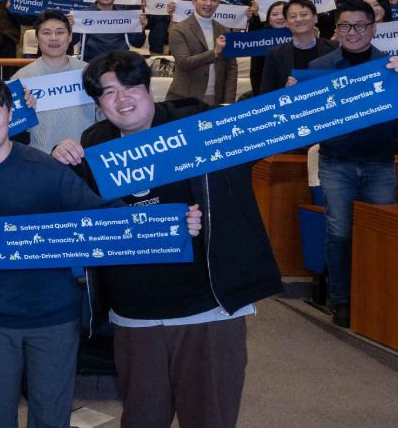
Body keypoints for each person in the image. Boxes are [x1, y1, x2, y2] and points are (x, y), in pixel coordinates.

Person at [0, 73, 198, 428]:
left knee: (50, 416)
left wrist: (168, 225)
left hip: (54, 317)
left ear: (10, 113)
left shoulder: (45, 168)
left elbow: (103, 215)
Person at [49, 51, 279, 428]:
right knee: (141, 418)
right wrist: (58, 160)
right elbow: (78, 220)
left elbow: (284, 123)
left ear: (148, 89)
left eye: (131, 87)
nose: (122, 100)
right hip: (135, 314)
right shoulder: (92, 145)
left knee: (209, 418)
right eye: (109, 93)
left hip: (206, 308)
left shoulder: (196, 125)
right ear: (97, 103)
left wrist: (379, 87)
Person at [306, 0, 398, 326]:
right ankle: (342, 298)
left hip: (380, 161)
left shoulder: (393, 65)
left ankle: (377, 296)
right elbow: (309, 117)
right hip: (336, 160)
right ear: (336, 30)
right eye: (345, 26)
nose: (353, 32)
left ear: (373, 28)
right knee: (340, 231)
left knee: (382, 231)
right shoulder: (319, 68)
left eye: (360, 26)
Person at [11, 11, 100, 153]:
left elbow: (103, 118)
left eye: (60, 32)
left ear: (70, 36)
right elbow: (15, 131)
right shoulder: (20, 79)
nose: (53, 38)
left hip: (85, 158)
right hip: (42, 161)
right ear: (37, 38)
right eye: (46, 33)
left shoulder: (89, 72)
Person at [165, 0, 236, 105]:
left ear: (218, 3)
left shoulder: (225, 30)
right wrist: (214, 52)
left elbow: (231, 68)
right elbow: (184, 62)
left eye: (213, 0)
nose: (208, 3)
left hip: (216, 97)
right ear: (193, 1)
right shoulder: (178, 29)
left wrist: (228, 101)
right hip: (185, 98)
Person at [257, 0, 334, 96]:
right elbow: (266, 93)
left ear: (315, 18)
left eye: (304, 14)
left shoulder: (334, 48)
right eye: (293, 16)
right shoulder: (275, 53)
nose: (298, 19)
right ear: (287, 23)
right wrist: (285, 92)